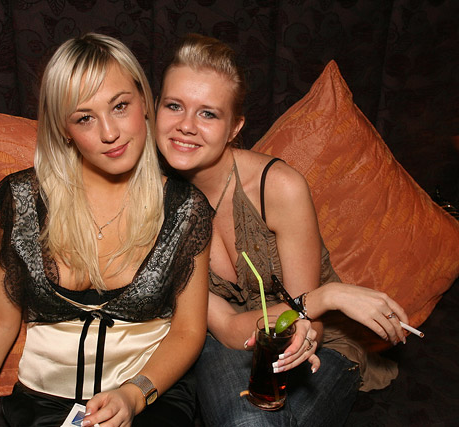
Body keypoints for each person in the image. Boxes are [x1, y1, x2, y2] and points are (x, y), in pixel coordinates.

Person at [0, 33, 212, 427]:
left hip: (148, 397)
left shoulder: (185, 209)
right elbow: (0, 320)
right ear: (64, 129)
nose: (109, 132)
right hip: (42, 405)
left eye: (120, 106)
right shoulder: (26, 200)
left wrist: (133, 395)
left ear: (145, 102)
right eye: (85, 117)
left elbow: (189, 330)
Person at [155, 33, 409, 427]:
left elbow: (311, 325)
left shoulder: (279, 188)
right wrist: (327, 296)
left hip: (317, 344)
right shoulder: (153, 205)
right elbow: (228, 328)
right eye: (174, 106)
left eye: (208, 114)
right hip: (223, 343)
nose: (186, 126)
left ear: (234, 127)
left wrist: (314, 308)